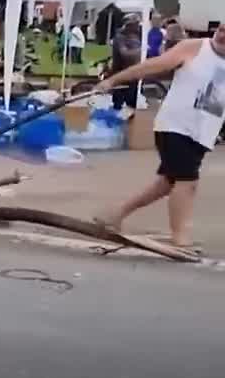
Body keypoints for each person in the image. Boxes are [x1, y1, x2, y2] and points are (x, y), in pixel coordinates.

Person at [95, 23, 225, 250]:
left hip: (203, 132)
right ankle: (180, 239)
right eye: (223, 29)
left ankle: (113, 215)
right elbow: (150, 67)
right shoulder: (194, 48)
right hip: (176, 125)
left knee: (166, 183)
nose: (223, 36)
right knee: (187, 182)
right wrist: (113, 80)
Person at [109, 20, 143, 109]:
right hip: (121, 73)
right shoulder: (120, 37)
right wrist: (141, 51)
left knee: (132, 102)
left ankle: (130, 118)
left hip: (133, 74)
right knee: (118, 102)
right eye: (135, 25)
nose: (137, 28)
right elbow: (124, 53)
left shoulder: (135, 37)